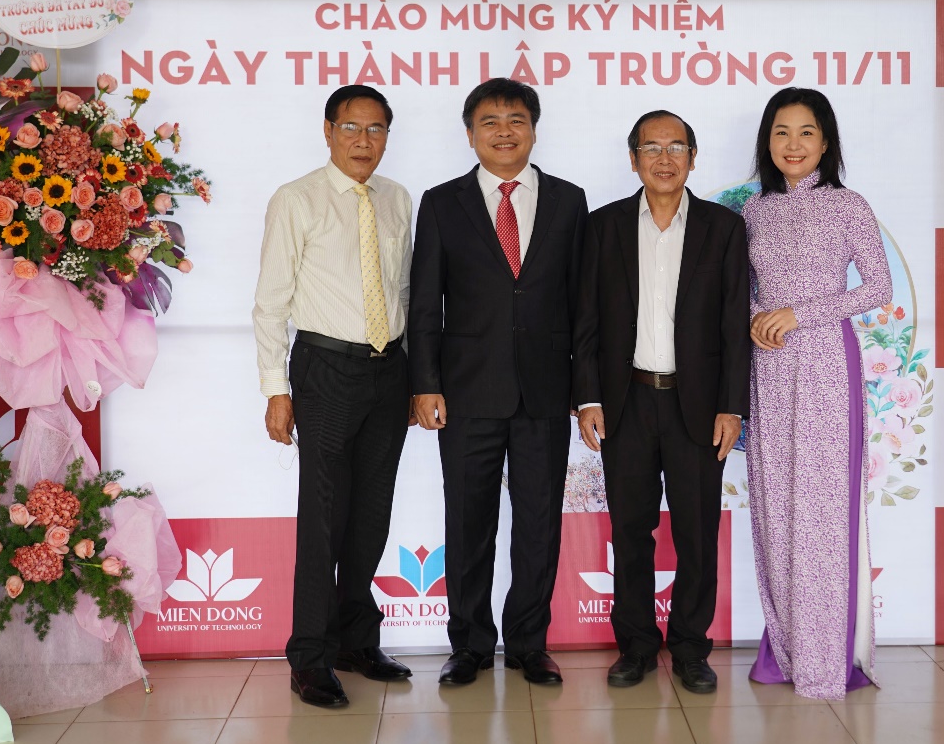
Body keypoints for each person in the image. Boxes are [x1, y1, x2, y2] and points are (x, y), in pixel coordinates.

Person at [408, 78, 588, 686]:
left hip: (545, 391)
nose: (504, 131)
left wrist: (584, 390)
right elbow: (425, 303)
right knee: (468, 524)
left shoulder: (568, 200)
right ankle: (470, 646)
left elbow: (582, 304)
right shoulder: (441, 202)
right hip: (466, 393)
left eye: (516, 120)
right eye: (490, 121)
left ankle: (530, 644)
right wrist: (425, 383)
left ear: (534, 130)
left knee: (539, 525)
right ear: (470, 134)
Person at [573, 110, 750, 695]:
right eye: (652, 147)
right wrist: (588, 398)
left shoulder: (723, 228)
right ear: (633, 160)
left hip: (696, 408)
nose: (664, 158)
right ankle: (637, 647)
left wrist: (732, 407)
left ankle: (692, 649)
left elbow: (733, 325)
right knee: (631, 531)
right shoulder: (603, 227)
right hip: (625, 402)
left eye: (676, 147)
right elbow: (586, 321)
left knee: (697, 533)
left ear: (693, 159)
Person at [252, 85, 415, 708]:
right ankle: (310, 656)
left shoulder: (397, 199)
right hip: (324, 369)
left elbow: (402, 292)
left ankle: (356, 640)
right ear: (328, 131)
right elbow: (270, 304)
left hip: (389, 370)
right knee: (323, 518)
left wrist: (414, 376)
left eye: (376, 130)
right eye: (351, 128)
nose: (363, 141)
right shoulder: (296, 199)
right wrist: (277, 390)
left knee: (372, 512)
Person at [743, 87, 889, 700]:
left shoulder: (848, 205)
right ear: (767, 141)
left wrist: (798, 313)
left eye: (806, 132)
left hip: (827, 363)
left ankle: (827, 655)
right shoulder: (753, 211)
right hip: (768, 367)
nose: (793, 144)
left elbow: (876, 287)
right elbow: (742, 292)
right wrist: (756, 317)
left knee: (823, 510)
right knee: (775, 503)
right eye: (781, 132)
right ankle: (787, 644)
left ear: (826, 142)